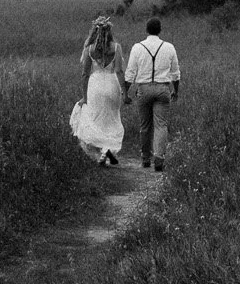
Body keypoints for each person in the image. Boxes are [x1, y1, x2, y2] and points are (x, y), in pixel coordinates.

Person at [68, 15, 126, 166]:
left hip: (95, 86)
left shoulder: (89, 50)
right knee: (111, 119)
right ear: (109, 31)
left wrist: (84, 97)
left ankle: (102, 152)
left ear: (94, 32)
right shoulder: (116, 48)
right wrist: (124, 92)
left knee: (96, 119)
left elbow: (85, 74)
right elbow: (119, 71)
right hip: (112, 85)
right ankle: (108, 150)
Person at [125, 17, 180, 171]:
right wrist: (176, 90)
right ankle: (159, 158)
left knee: (145, 125)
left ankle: (145, 158)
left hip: (143, 88)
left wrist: (126, 92)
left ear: (146, 30)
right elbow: (175, 73)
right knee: (161, 125)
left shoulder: (138, 47)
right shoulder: (169, 47)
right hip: (163, 88)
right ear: (160, 30)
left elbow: (130, 73)